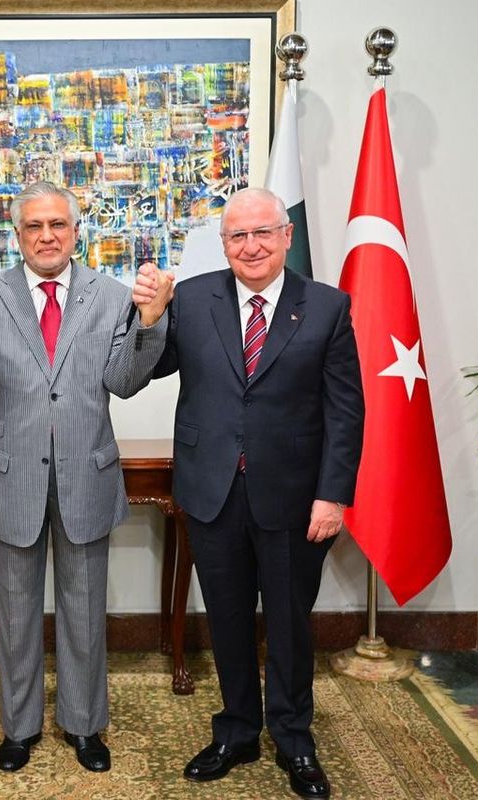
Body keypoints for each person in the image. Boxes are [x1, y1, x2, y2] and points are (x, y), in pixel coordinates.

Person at [0, 182, 173, 774]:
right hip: (11, 477)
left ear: (75, 232)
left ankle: (84, 725)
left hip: (85, 476)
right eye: (34, 226)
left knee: (85, 611)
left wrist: (149, 322)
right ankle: (19, 728)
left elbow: (123, 381)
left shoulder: (111, 295)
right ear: (17, 235)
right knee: (16, 613)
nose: (47, 236)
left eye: (58, 225)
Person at [152, 188, 364, 799]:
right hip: (211, 490)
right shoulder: (192, 299)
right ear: (223, 244)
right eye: (237, 236)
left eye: (263, 233)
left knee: (290, 625)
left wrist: (333, 495)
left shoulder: (326, 307)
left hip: (295, 497)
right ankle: (237, 731)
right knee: (227, 619)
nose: (251, 247)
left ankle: (294, 739)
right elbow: (151, 368)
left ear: (286, 236)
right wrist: (148, 317)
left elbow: (345, 410)